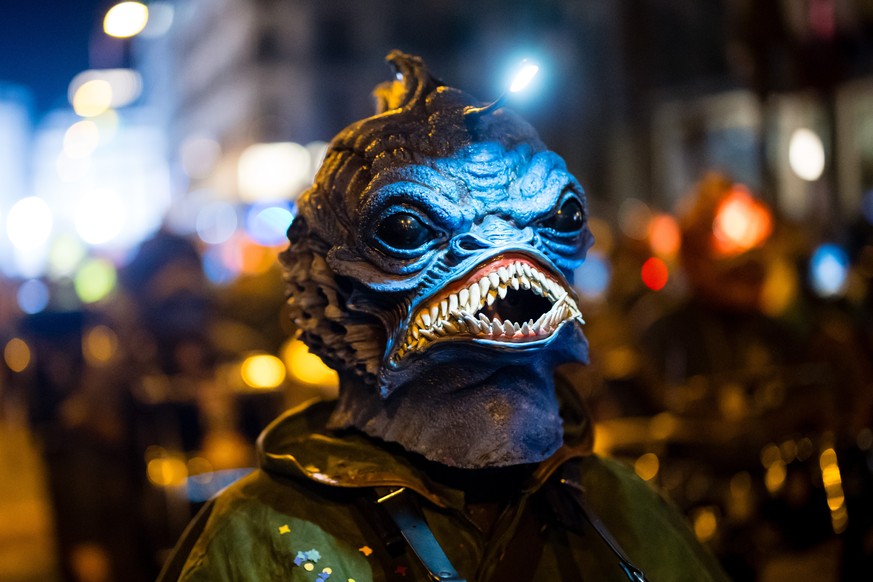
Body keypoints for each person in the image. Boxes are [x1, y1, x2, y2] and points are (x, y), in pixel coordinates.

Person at [158, 51, 728, 581]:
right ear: (321, 268)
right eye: (406, 231)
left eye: (557, 219)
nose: (506, 250)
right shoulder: (258, 536)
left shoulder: (621, 508)